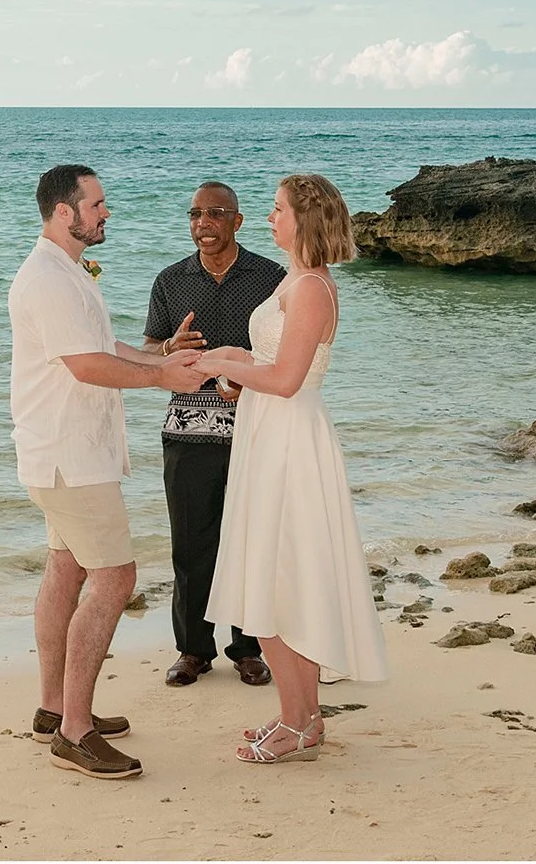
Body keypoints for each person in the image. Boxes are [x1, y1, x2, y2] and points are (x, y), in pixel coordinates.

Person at [9, 163, 209, 781]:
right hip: (69, 456)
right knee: (116, 577)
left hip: (67, 452)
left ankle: (53, 709)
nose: (106, 213)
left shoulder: (70, 272)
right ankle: (75, 731)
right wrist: (163, 378)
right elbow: (86, 366)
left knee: (66, 568)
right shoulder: (47, 279)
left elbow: (103, 345)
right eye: (96, 204)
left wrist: (159, 353)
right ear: (63, 212)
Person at [195, 173, 390, 764]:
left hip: (288, 440)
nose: (270, 216)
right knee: (276, 579)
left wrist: (218, 366)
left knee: (277, 582)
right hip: (271, 432)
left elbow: (283, 380)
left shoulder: (309, 290)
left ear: (304, 219)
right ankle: (302, 720)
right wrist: (229, 360)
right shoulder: (298, 281)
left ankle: (297, 721)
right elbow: (273, 363)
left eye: (277, 209)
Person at [143, 182, 283, 690]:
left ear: (237, 222)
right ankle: (193, 650)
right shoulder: (170, 280)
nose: (203, 222)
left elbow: (286, 353)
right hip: (185, 432)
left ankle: (248, 649)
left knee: (250, 542)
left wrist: (252, 385)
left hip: (255, 429)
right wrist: (166, 349)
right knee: (191, 545)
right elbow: (151, 347)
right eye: (195, 214)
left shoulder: (271, 277)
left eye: (216, 213)